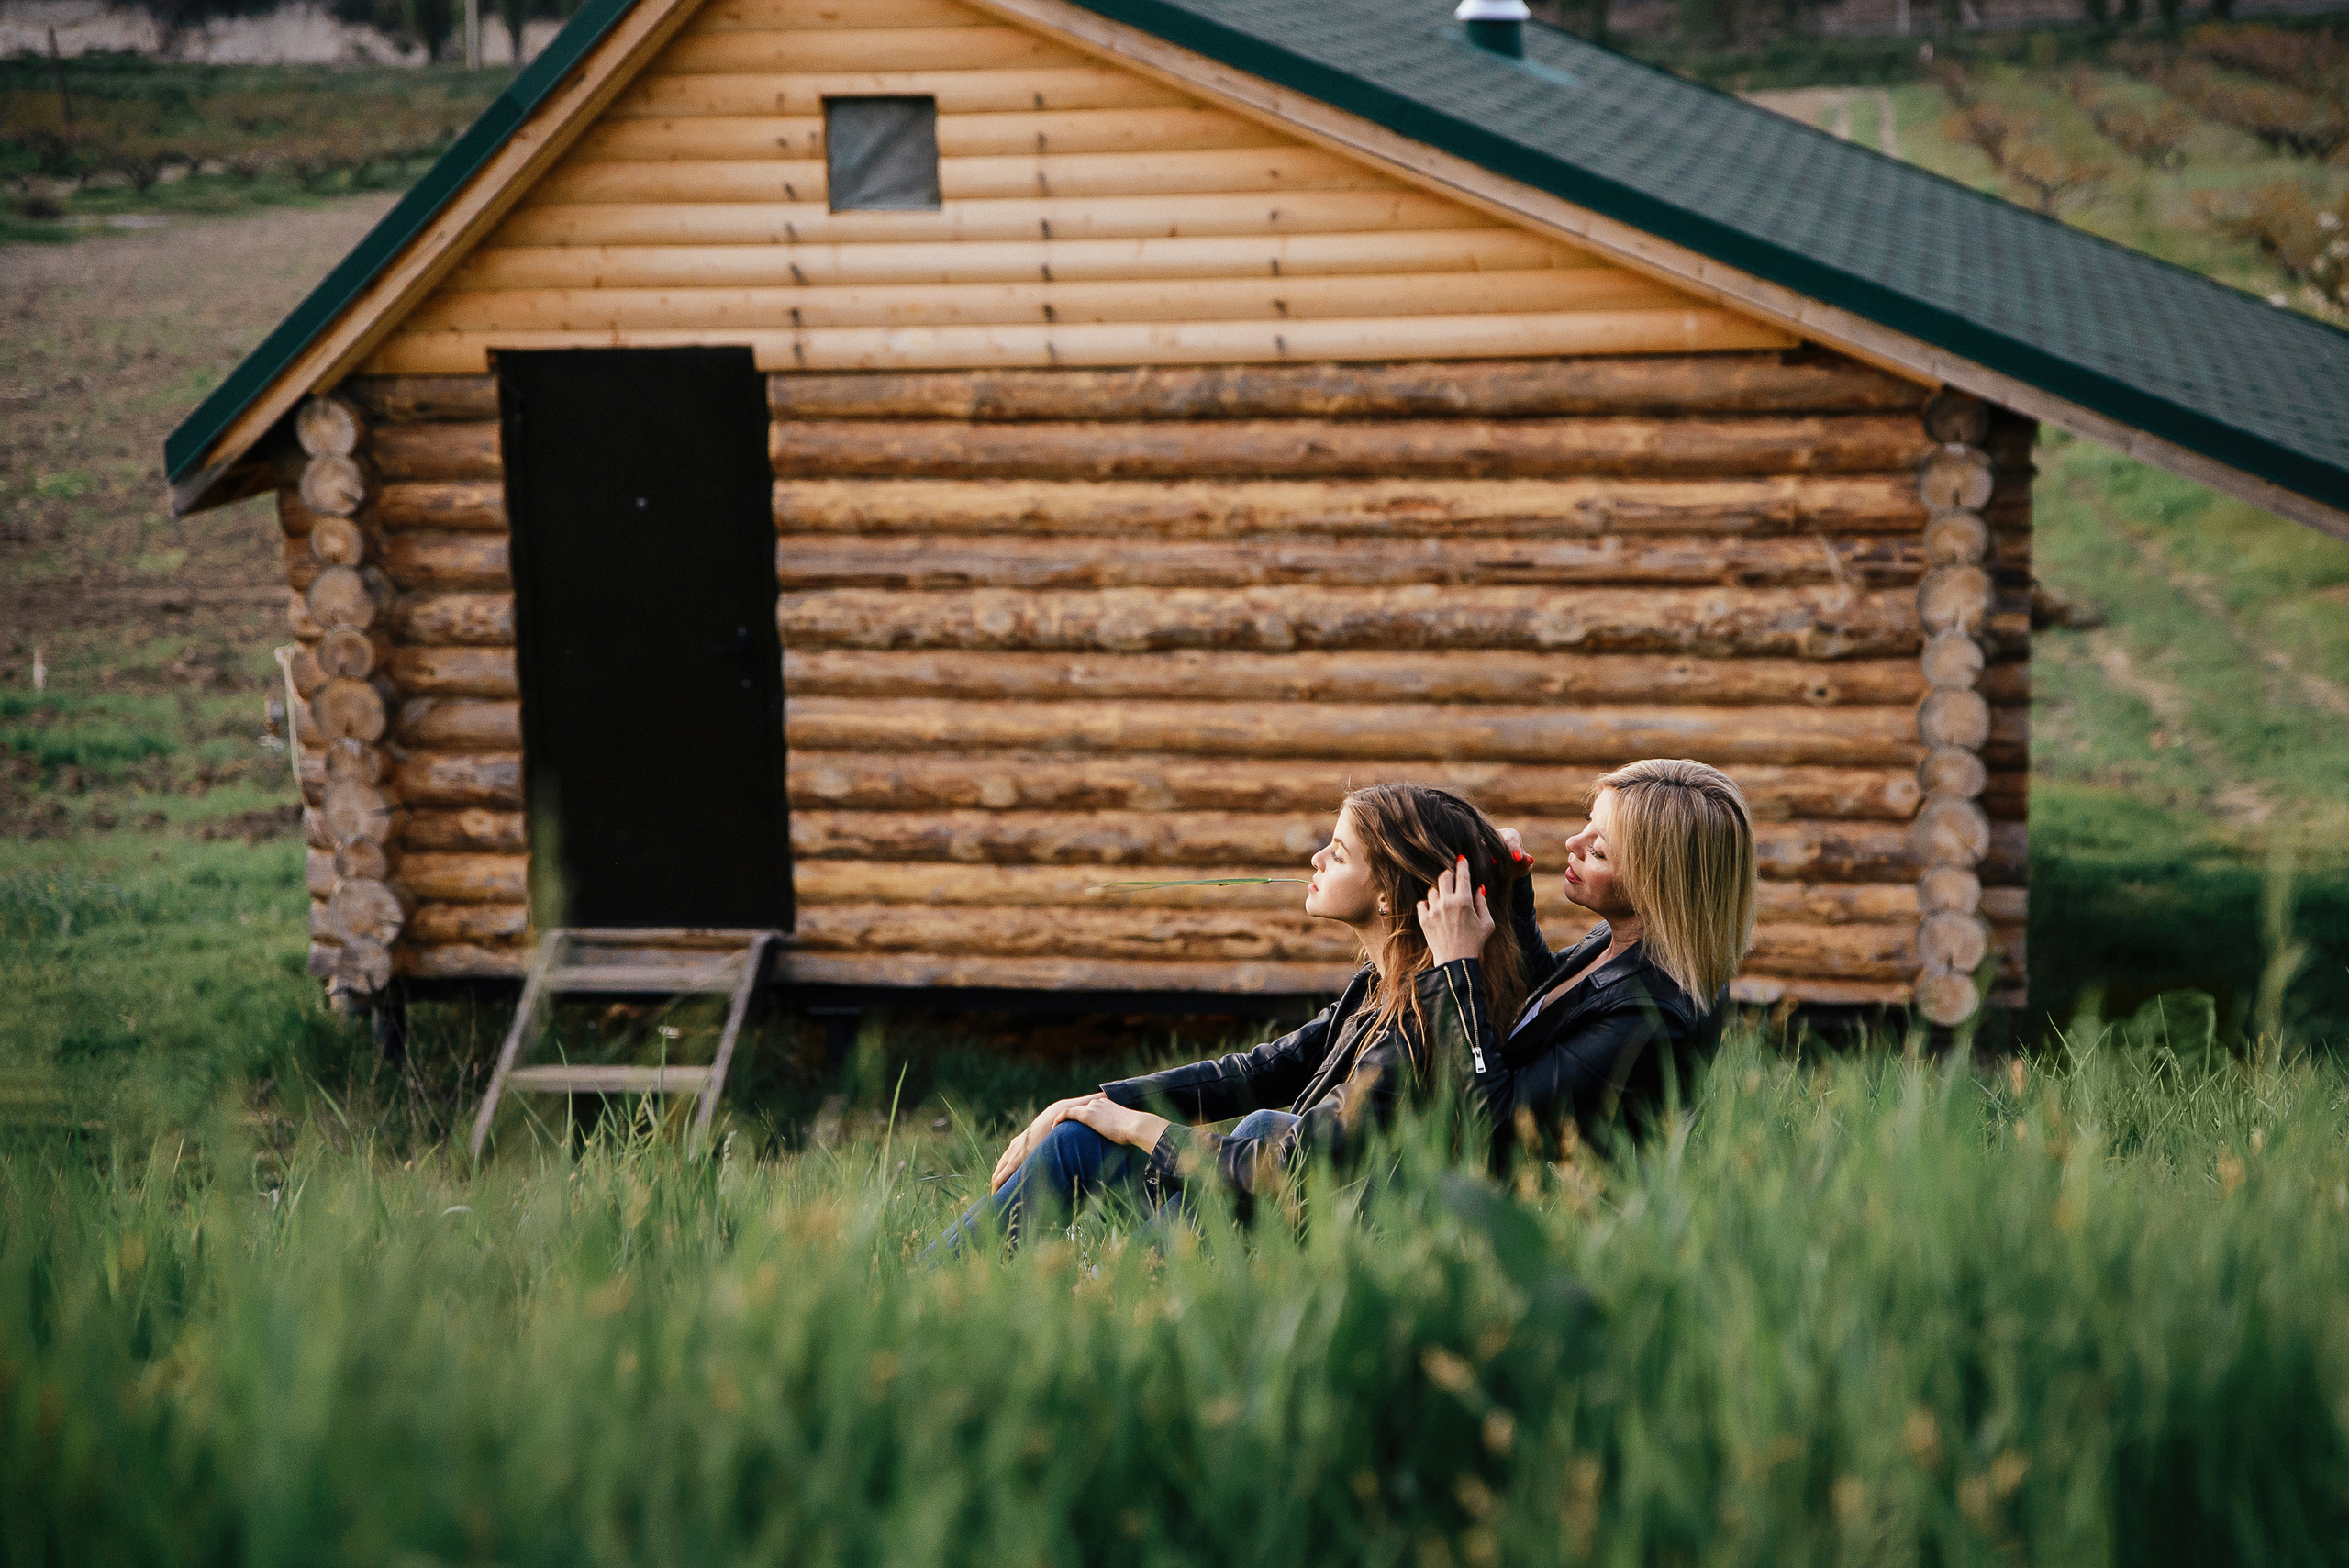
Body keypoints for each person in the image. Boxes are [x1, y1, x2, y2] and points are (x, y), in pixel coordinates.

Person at [930, 784, 1533, 1256]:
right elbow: (1254, 1069)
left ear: (1389, 892)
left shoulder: (1421, 1022)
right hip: (1291, 1209)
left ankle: (1112, 1290)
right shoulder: (1381, 991)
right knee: (1082, 1138)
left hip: (1325, 1243)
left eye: (1340, 852)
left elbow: (1281, 1169)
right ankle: (960, 1281)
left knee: (1257, 1130)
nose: (1316, 858)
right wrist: (1089, 1102)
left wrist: (1131, 1125)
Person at [1416, 759, 1756, 1164]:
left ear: (1657, 885)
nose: (1572, 844)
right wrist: (1515, 895)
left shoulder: (1650, 1015)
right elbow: (1550, 1006)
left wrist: (1455, 965)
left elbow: (1498, 1122)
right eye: (1587, 823)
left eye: (1597, 851)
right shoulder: (1627, 944)